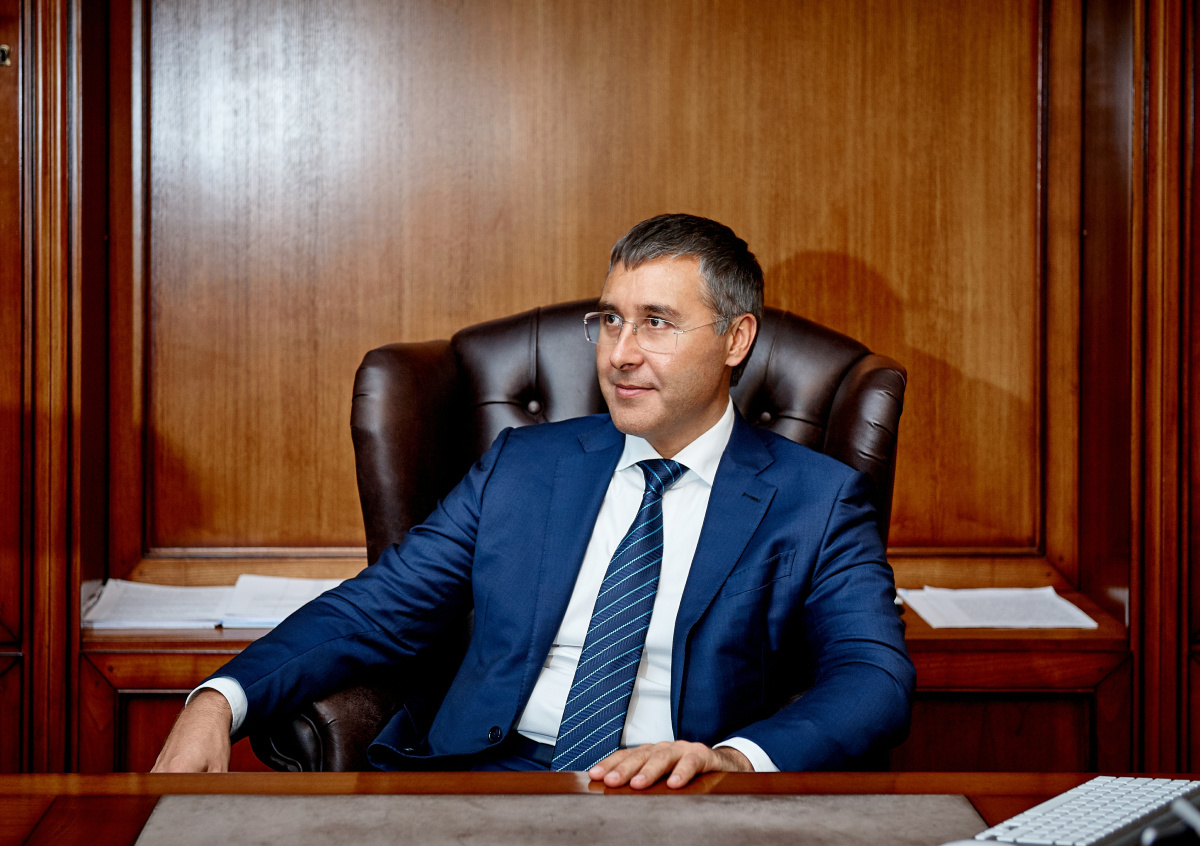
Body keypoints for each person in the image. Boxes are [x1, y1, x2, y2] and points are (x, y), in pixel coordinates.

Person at [153, 213, 914, 788]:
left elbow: (871, 676)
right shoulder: (524, 466)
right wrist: (218, 700)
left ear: (736, 339)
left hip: (677, 798)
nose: (620, 354)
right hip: (488, 781)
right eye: (611, 320)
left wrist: (732, 760)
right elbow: (375, 609)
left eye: (656, 323)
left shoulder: (815, 500)